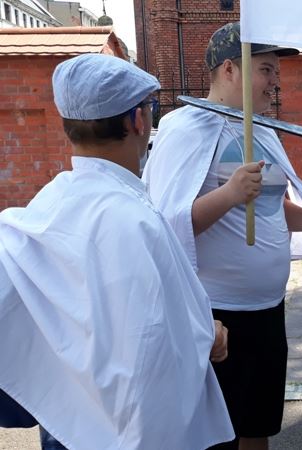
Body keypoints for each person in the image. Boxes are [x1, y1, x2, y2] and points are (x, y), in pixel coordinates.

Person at [0, 53, 233, 449]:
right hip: (120, 429)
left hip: (67, 420)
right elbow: (151, 339)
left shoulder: (49, 201)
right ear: (137, 121)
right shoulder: (134, 219)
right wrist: (206, 334)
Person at [143, 22, 302, 450]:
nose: (275, 82)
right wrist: (228, 194)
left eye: (276, 72)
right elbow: (164, 226)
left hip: (269, 309)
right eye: (266, 70)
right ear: (229, 69)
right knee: (219, 435)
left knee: (259, 425)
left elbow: (270, 207)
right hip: (218, 315)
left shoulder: (263, 131)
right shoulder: (185, 129)